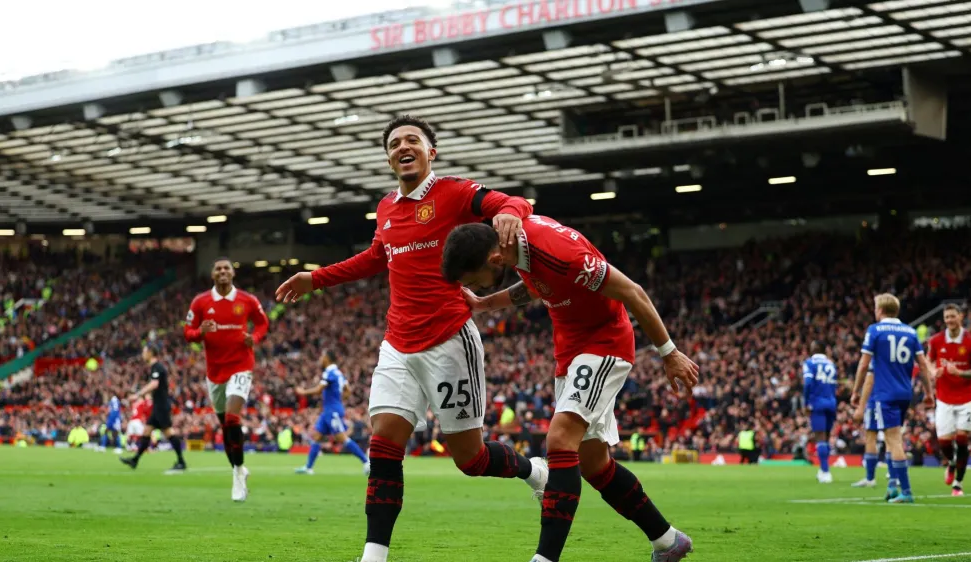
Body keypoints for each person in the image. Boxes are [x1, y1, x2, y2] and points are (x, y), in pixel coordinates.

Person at [275, 115, 547, 562]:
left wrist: (507, 215)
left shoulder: (455, 192)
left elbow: (515, 201)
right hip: (398, 343)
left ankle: (534, 470)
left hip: (449, 341)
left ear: (430, 152)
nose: (404, 146)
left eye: (413, 140)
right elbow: (373, 258)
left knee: (471, 460)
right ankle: (374, 555)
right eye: (395, 142)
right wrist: (316, 278)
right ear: (388, 157)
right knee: (382, 442)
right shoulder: (386, 208)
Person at [440, 217, 698, 562]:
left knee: (559, 441)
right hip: (571, 352)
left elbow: (632, 292)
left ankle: (544, 559)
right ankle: (668, 542)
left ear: (494, 260)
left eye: (476, 282)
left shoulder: (560, 253)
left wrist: (669, 353)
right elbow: (536, 287)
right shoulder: (518, 249)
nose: (481, 287)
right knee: (594, 464)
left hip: (604, 343)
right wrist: (486, 305)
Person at [184, 257, 269, 502]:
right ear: (213, 274)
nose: (222, 271)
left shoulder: (247, 300)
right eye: (218, 268)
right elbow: (187, 333)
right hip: (215, 372)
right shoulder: (201, 302)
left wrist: (256, 337)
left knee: (233, 418)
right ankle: (239, 468)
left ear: (233, 273)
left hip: (241, 365)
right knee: (225, 426)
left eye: (227, 268)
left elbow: (263, 323)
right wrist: (200, 332)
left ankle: (238, 476)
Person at [851, 293, 935, 504]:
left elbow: (863, 365)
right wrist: (929, 393)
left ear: (880, 310)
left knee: (893, 440)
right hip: (904, 393)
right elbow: (923, 365)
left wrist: (855, 391)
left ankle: (905, 491)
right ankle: (892, 486)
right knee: (892, 438)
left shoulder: (875, 330)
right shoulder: (910, 331)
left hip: (885, 394)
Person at [925, 304, 971, 496]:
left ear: (961, 316)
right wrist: (934, 371)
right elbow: (928, 361)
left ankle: (958, 483)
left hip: (965, 397)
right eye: (946, 317)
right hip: (943, 397)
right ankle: (950, 463)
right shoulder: (936, 341)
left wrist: (959, 372)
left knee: (962, 440)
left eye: (952, 316)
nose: (949, 320)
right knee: (944, 442)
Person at [294, 350, 370, 475]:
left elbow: (319, 390)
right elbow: (348, 391)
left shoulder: (329, 372)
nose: (321, 359)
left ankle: (366, 461)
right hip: (329, 410)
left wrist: (303, 392)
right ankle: (308, 467)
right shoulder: (339, 373)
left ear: (327, 358)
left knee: (341, 437)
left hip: (332, 411)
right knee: (317, 436)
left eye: (322, 356)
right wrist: (338, 400)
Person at [119, 344, 187, 473]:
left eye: (144, 351)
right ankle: (135, 460)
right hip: (158, 406)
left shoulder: (157, 367)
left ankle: (181, 461)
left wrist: (138, 395)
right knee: (146, 432)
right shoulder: (154, 367)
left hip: (161, 406)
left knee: (168, 433)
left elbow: (154, 384)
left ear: (150, 353)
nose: (143, 354)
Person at [801, 341, 837, 483]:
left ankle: (826, 472)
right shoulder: (831, 364)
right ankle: (822, 469)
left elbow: (808, 383)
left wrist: (806, 403)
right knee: (826, 437)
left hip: (818, 403)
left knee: (820, 437)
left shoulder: (809, 363)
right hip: (831, 402)